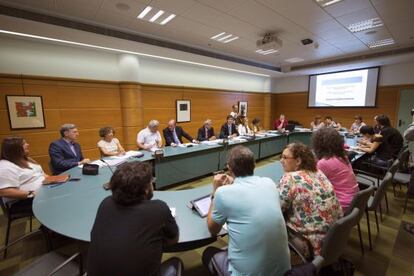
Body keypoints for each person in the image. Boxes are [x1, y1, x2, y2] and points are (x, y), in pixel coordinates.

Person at [203, 146, 290, 276]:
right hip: (283, 269)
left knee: (208, 253)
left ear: (229, 168)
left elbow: (213, 230)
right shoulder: (269, 183)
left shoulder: (223, 193)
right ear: (254, 164)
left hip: (248, 273)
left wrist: (215, 192)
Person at [87, 162, 182, 276]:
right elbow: (173, 240)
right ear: (146, 189)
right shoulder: (159, 208)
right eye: (152, 182)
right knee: (176, 263)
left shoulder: (105, 203)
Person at [278, 142, 342, 258]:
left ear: (298, 161)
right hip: (335, 238)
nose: (281, 161)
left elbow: (277, 209)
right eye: (281, 157)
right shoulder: (318, 172)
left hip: (312, 245)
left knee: (269, 222)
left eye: (285, 158)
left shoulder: (290, 178)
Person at [312, 128, 359, 210]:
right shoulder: (342, 156)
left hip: (341, 205)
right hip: (354, 201)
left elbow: (312, 183)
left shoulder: (324, 162)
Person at [0, 137, 46, 213]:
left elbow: (41, 173)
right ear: (14, 148)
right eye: (24, 143)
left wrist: (54, 180)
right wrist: (31, 194)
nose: (28, 144)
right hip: (22, 201)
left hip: (43, 192)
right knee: (59, 201)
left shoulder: (26, 159)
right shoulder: (5, 166)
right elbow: (4, 191)